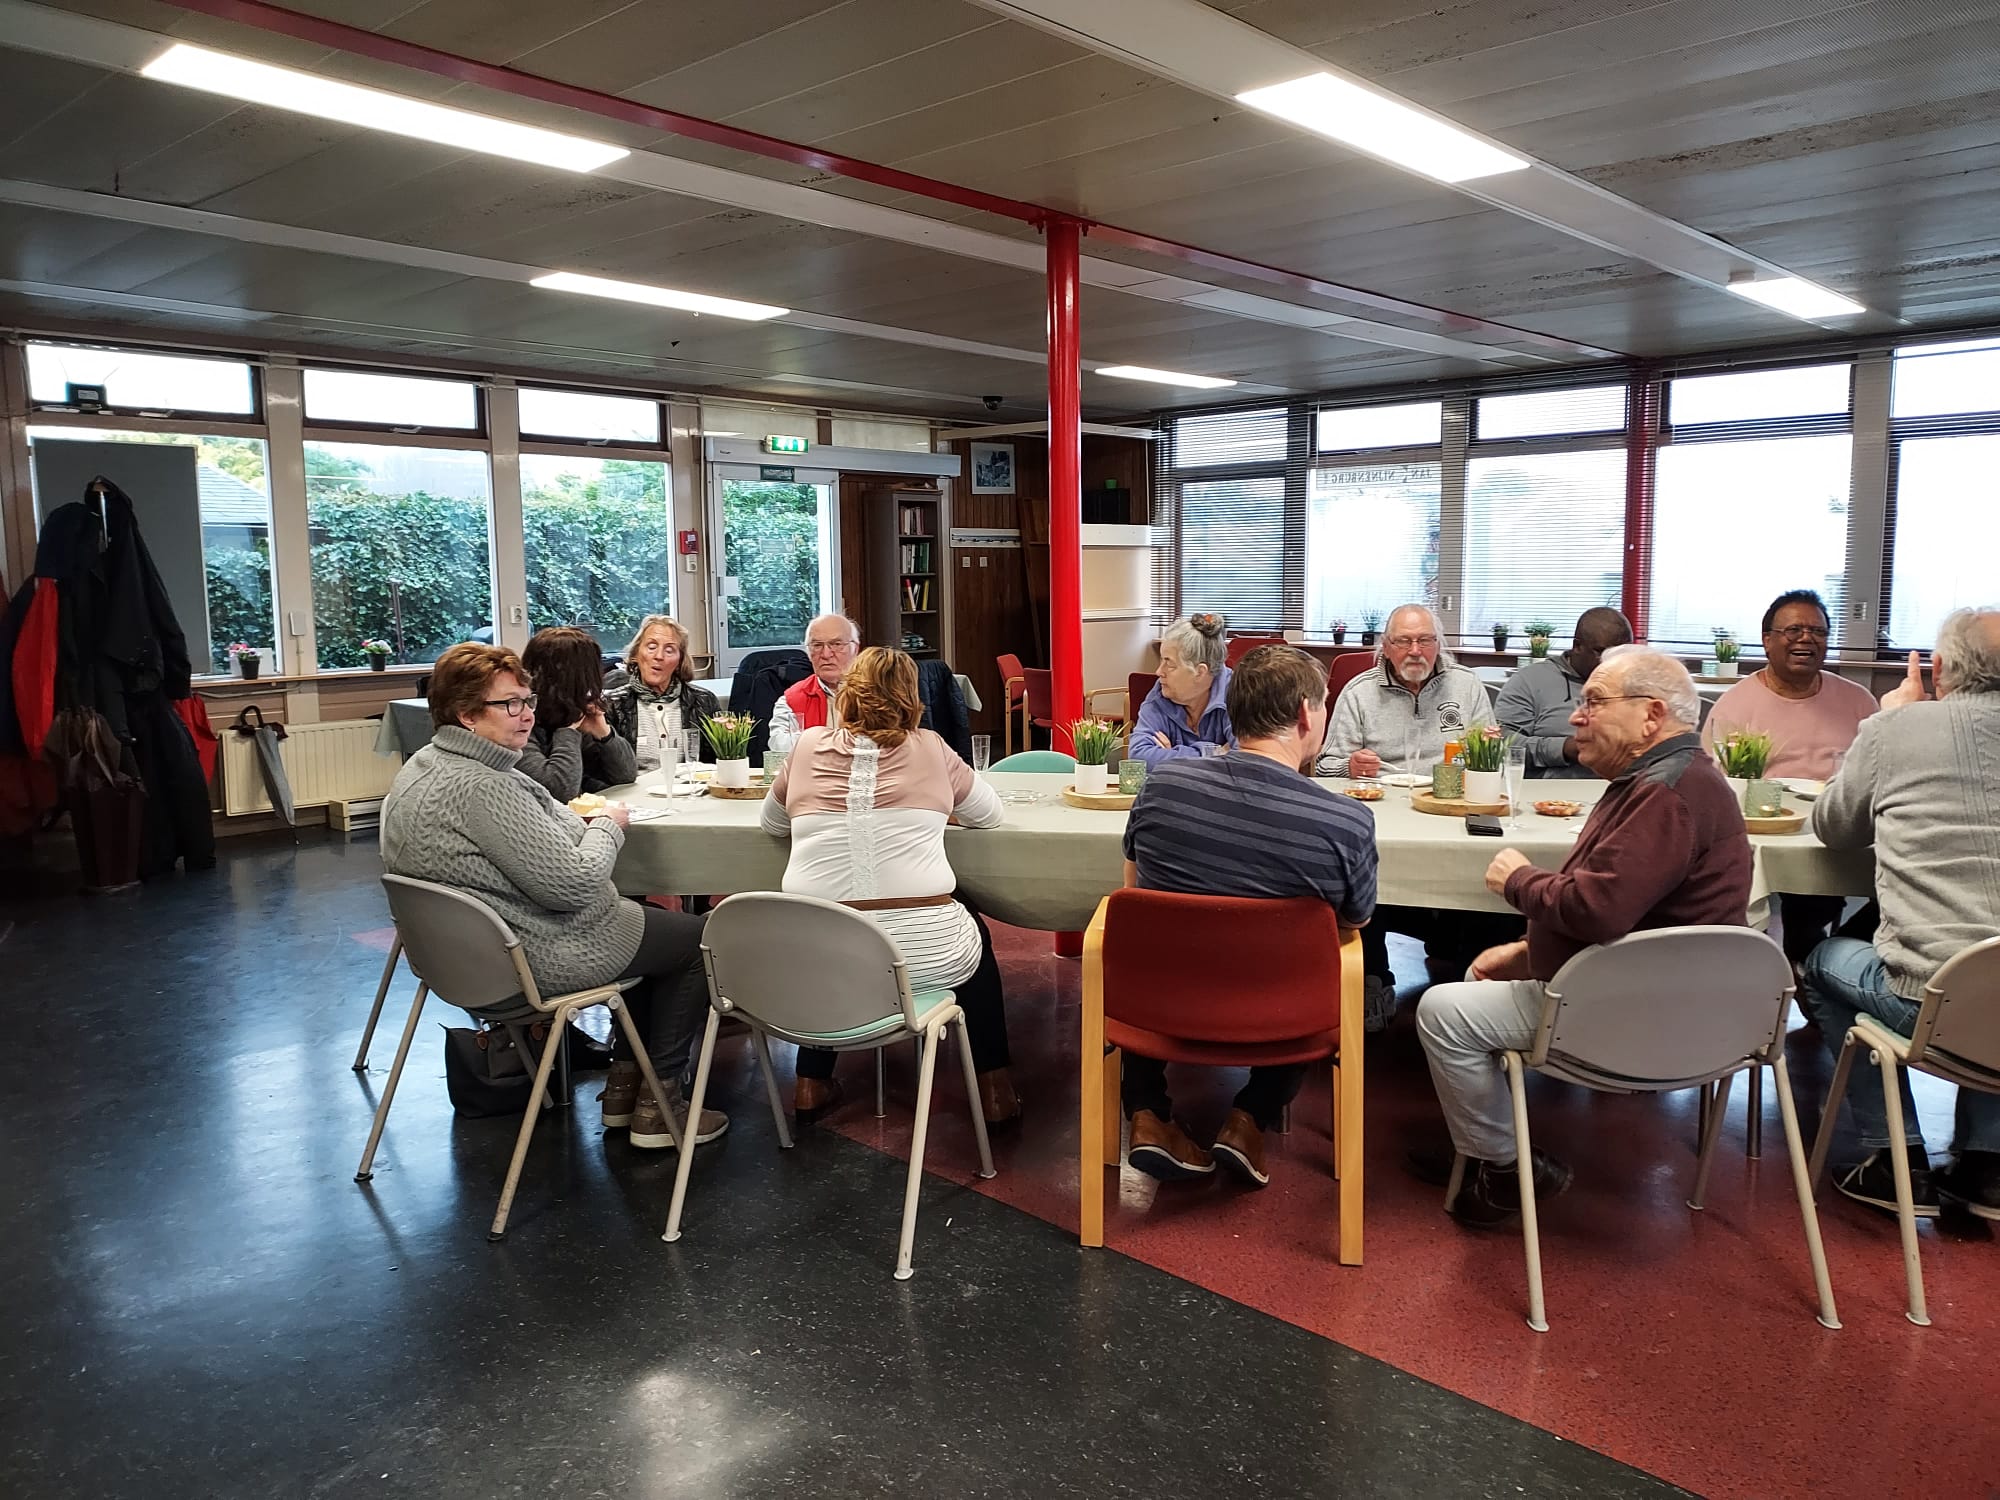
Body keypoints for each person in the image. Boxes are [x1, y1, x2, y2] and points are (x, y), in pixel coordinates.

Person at [1414, 647, 1752, 1226]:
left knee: (1442, 1011)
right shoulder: (1672, 779)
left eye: (1594, 702)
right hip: (1668, 996)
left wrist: (1518, 880)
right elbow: (1640, 913)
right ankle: (1484, 1148)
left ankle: (1504, 1170)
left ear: (1651, 715)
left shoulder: (1664, 795)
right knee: (1475, 978)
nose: (1576, 716)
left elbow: (1598, 910)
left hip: (1635, 1013)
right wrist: (1531, 951)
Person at [381, 643, 725, 1150]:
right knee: (699, 941)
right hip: (533, 957)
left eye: (528, 700)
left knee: (652, 927)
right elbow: (574, 885)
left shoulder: (424, 767)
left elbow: (551, 818)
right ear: (466, 715)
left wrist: (576, 829)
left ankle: (624, 1088)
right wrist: (607, 827)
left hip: (455, 964)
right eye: (510, 704)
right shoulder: (486, 787)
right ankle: (660, 1105)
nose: (526, 714)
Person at [1118, 645, 1377, 1186]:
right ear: (1305, 713)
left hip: (1161, 1003)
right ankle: (1249, 1119)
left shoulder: (1160, 788)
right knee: (1320, 960)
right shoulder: (1346, 821)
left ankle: (1147, 1114)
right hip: (1280, 1013)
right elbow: (1353, 924)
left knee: (1140, 940)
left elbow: (1133, 890)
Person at [761, 647, 1021, 1126]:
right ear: (911, 698)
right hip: (922, 957)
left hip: (816, 956)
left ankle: (810, 1083)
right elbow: (990, 814)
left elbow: (772, 824)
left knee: (826, 924)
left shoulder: (806, 746)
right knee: (972, 933)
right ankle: (994, 1087)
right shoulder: (931, 747)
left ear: (848, 696)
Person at [1800, 607, 2000, 1220]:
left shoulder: (1896, 729)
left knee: (1820, 962)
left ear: (1938, 669)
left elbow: (1833, 828)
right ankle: (1988, 1166)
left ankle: (1896, 1158)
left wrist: (1889, 719)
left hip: (1925, 997)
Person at [1315, 603, 1500, 1023]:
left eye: (1425, 640)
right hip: (1383, 819)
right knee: (1358, 870)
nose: (1415, 650)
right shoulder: (1360, 692)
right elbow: (1325, 765)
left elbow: (1488, 759)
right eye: (1403, 641)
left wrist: (1486, 751)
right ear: (1385, 646)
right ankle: (1373, 981)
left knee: (1489, 875)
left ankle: (1470, 992)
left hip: (1451, 812)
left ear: (1439, 644)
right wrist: (1350, 765)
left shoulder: (1467, 686)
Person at [1702, 589, 1881, 966]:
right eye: (1794, 630)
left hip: (1837, 832)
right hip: (1765, 834)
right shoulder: (1736, 704)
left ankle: (1821, 965)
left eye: (1817, 631)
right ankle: (1802, 969)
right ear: (1767, 640)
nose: (1806, 639)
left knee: (1895, 892)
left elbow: (1879, 772)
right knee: (1800, 912)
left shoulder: (1858, 700)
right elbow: (1713, 784)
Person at [1495, 607, 1633, 779]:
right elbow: (1501, 742)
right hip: (1553, 788)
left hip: (1626, 787)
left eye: (1621, 654)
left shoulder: (1638, 685)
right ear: (1577, 646)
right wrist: (1564, 748)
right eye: (1601, 652)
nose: (1612, 662)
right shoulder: (1530, 681)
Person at [516, 626, 637, 801]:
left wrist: (604, 733)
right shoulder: (520, 721)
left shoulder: (574, 711)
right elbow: (561, 792)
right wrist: (568, 731)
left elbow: (625, 776)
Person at [604, 615, 718, 770]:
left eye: (669, 650)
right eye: (651, 647)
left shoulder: (703, 701)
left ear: (680, 661)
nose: (659, 656)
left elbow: (718, 764)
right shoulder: (612, 704)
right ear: (636, 654)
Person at [1128, 612, 1234, 765]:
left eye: (1169, 664)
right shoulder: (1161, 694)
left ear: (1200, 672)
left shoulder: (1238, 694)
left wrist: (1170, 756)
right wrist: (1214, 753)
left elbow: (1243, 761)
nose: (1159, 672)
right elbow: (1139, 756)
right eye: (1161, 660)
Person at [768, 613, 861, 755]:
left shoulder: (878, 693)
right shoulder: (791, 700)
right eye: (817, 645)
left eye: (836, 644)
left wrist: (810, 741)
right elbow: (779, 746)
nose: (826, 654)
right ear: (807, 652)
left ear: (855, 649)